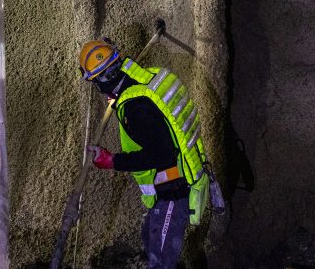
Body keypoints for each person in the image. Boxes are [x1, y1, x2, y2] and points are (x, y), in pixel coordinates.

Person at [80, 37, 216, 269]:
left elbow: (161, 153)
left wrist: (113, 160)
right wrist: (120, 94)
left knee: (160, 261)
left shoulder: (134, 108)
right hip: (185, 173)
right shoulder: (152, 78)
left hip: (174, 189)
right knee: (148, 238)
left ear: (102, 80)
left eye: (95, 81)